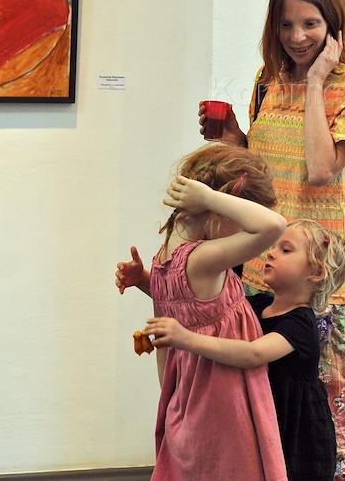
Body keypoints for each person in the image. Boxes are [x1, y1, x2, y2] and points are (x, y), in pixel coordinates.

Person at [199, 0, 345, 481]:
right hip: (257, 267)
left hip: (318, 280)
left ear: (332, 25)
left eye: (310, 24)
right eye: (286, 25)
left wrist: (318, 80)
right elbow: (263, 172)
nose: (297, 37)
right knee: (262, 406)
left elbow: (321, 169)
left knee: (329, 413)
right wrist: (234, 139)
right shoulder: (268, 82)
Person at [113, 143, 287, 481]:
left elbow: (186, 304)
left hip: (189, 391)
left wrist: (144, 280)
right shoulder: (203, 259)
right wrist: (211, 198)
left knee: (200, 464)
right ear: (219, 213)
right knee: (233, 467)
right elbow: (274, 226)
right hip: (223, 388)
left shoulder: (165, 256)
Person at [148, 220, 345, 481]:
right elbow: (205, 308)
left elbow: (253, 354)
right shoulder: (257, 304)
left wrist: (186, 339)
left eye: (286, 250)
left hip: (297, 436)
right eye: (273, 247)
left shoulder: (301, 323)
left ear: (316, 272)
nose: (271, 253)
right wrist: (144, 281)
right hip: (265, 420)